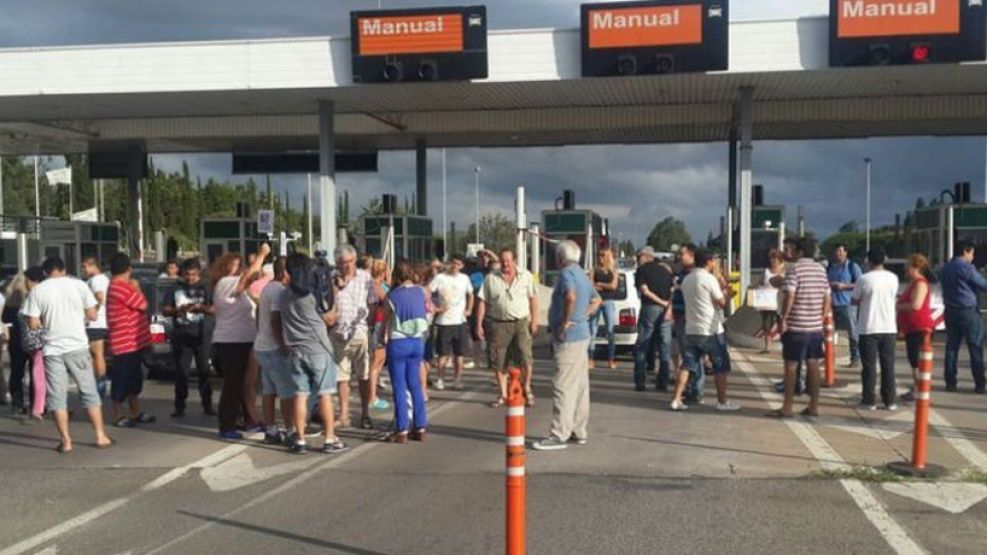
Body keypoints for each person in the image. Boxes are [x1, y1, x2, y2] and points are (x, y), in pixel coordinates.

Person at [23, 257, 112, 453]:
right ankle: (100, 435)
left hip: (53, 349)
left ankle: (66, 441)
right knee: (89, 391)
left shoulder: (38, 290)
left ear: (45, 272)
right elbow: (92, 314)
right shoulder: (79, 285)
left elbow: (33, 323)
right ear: (64, 269)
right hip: (77, 346)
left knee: (57, 397)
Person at [532, 240, 601, 451]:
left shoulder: (566, 274)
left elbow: (570, 296)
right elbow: (597, 300)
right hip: (582, 335)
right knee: (580, 386)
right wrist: (581, 317)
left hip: (568, 338)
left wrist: (565, 320)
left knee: (563, 385)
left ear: (561, 257)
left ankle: (558, 434)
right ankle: (578, 430)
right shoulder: (582, 273)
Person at [280, 254, 348, 454]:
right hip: (318, 350)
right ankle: (329, 439)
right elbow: (330, 319)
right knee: (325, 395)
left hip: (295, 350)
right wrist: (334, 294)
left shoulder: (283, 295)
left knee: (300, 395)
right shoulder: (311, 295)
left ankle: (300, 439)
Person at [669, 250, 741, 412]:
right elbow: (720, 303)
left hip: (690, 328)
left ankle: (676, 399)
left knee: (686, 365)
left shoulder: (687, 279)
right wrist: (728, 294)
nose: (715, 262)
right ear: (708, 261)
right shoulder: (709, 279)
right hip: (710, 329)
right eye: (714, 260)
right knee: (720, 365)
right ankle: (722, 402)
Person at [211, 247, 268, 439]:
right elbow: (246, 277)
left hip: (245, 339)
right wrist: (261, 255)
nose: (236, 268)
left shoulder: (242, 291)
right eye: (232, 265)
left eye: (238, 265)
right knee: (232, 384)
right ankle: (227, 424)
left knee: (246, 383)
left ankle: (247, 419)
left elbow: (249, 280)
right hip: (231, 340)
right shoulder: (225, 283)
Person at [772, 238, 830, 418]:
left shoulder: (795, 269)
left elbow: (790, 294)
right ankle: (813, 406)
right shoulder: (821, 269)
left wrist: (783, 317)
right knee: (813, 365)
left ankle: (787, 407)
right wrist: (821, 317)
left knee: (791, 366)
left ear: (799, 251)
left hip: (796, 326)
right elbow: (827, 296)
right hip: (814, 327)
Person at [476, 248, 539, 408]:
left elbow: (533, 300)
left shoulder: (526, 276)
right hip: (498, 324)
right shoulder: (491, 278)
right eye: (503, 261)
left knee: (525, 357)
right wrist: (479, 324)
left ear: (514, 261)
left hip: (521, 323)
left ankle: (527, 388)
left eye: (508, 261)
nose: (505, 264)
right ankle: (503, 394)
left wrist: (534, 321)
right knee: (499, 361)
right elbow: (482, 302)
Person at [380, 260, 430, 443]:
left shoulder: (391, 296)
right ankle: (420, 426)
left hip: (398, 342)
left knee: (399, 387)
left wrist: (380, 337)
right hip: (417, 341)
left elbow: (385, 321)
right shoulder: (421, 291)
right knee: (415, 384)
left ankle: (401, 429)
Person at [330, 244, 377, 430]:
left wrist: (370, 325)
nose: (345, 266)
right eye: (341, 263)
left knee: (363, 375)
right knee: (342, 376)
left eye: (349, 262)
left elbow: (373, 302)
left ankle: (365, 413)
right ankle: (343, 414)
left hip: (359, 331)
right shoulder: (331, 278)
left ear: (355, 260)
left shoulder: (365, 277)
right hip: (338, 332)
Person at [105, 253, 155, 427]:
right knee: (122, 379)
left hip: (133, 341)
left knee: (134, 379)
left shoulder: (118, 286)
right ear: (129, 269)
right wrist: (137, 287)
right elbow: (143, 304)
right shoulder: (121, 287)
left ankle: (136, 411)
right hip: (125, 342)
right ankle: (118, 414)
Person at [162, 258, 214, 418]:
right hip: (182, 334)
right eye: (187, 275)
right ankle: (179, 406)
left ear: (198, 273)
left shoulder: (206, 287)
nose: (190, 278)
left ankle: (207, 404)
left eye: (193, 274)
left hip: (202, 334)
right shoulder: (175, 287)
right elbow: (165, 309)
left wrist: (201, 308)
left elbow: (215, 308)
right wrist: (178, 310)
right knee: (182, 372)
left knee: (204, 370)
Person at [852, 249, 900, 411]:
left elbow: (855, 300)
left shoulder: (864, 279)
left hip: (868, 327)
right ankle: (890, 400)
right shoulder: (893, 278)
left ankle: (869, 400)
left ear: (868, 260)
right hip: (888, 326)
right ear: (884, 259)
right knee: (888, 365)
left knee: (869, 366)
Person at [254, 257, 293, 445]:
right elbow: (276, 319)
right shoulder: (279, 291)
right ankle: (291, 429)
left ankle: (270, 429)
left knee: (269, 390)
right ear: (284, 272)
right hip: (274, 347)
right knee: (286, 391)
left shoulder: (267, 288)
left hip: (262, 345)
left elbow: (258, 315)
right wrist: (283, 344)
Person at [940, 240, 987, 393]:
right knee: (975, 347)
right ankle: (979, 383)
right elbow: (982, 285)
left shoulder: (946, 268)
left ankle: (950, 381)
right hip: (968, 311)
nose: (972, 256)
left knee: (952, 347)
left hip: (950, 310)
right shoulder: (966, 268)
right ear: (966, 252)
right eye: (972, 253)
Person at [429, 255, 474, 391]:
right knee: (443, 354)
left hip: (460, 321)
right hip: (444, 322)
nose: (455, 266)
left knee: (459, 354)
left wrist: (469, 309)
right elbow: (427, 293)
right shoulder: (440, 278)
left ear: (462, 266)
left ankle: (457, 379)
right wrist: (435, 308)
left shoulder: (464, 278)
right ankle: (440, 379)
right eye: (453, 263)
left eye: (458, 264)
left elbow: (471, 294)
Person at [633, 246, 674, 392]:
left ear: (645, 256)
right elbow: (673, 291)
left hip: (649, 308)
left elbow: (644, 290)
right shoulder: (666, 271)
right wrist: (667, 304)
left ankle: (640, 381)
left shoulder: (642, 271)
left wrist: (659, 302)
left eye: (638, 257)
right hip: (666, 311)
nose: (637, 260)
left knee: (643, 344)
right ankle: (663, 382)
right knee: (664, 346)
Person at [897, 254, 934, 403]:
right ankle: (917, 387)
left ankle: (920, 388)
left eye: (908, 266)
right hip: (911, 327)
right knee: (913, 360)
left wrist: (898, 306)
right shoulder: (912, 283)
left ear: (915, 267)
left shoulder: (920, 283)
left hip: (920, 327)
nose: (906, 269)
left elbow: (916, 305)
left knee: (918, 361)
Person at [672, 244, 704, 403]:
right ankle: (692, 387)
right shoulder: (682, 273)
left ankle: (696, 389)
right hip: (679, 318)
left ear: (691, 256)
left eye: (682, 254)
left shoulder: (693, 274)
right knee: (687, 355)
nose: (679, 256)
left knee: (692, 356)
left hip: (688, 319)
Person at [828, 244, 863, 367]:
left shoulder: (853, 267)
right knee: (828, 332)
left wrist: (844, 286)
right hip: (832, 304)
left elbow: (860, 284)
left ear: (846, 253)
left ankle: (855, 358)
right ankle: (829, 357)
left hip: (848, 304)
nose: (838, 254)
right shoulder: (831, 267)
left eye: (840, 251)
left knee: (852, 332)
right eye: (836, 251)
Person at [81, 257, 110, 398]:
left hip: (96, 323)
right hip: (102, 322)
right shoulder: (104, 279)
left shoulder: (96, 280)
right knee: (97, 354)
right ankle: (99, 383)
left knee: (96, 354)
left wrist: (91, 314)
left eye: (85, 267)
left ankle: (100, 385)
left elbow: (99, 297)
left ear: (93, 265)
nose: (83, 270)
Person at [588, 248, 619, 370]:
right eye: (599, 255)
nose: (600, 258)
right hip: (596, 301)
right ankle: (590, 359)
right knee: (592, 330)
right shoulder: (594, 270)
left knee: (610, 331)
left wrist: (600, 284)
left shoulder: (613, 270)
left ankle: (611, 359)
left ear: (608, 257)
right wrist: (603, 287)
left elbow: (613, 286)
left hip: (608, 302)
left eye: (603, 255)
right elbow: (591, 286)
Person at [368, 259, 391, 412]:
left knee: (378, 362)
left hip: (379, 324)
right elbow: (384, 303)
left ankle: (373, 395)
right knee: (376, 363)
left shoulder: (373, 285)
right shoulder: (378, 287)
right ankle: (372, 397)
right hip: (379, 324)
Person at [760, 249, 785, 354]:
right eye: (772, 258)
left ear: (780, 260)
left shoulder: (784, 272)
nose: (773, 261)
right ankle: (767, 347)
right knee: (766, 325)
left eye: (776, 259)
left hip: (780, 301)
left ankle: (785, 345)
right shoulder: (766, 271)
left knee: (782, 324)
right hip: (767, 302)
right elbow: (760, 283)